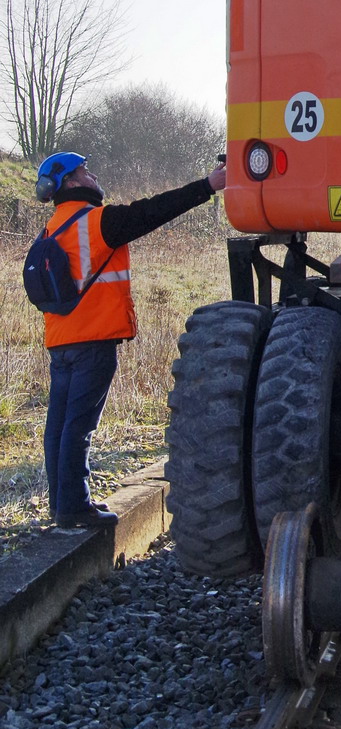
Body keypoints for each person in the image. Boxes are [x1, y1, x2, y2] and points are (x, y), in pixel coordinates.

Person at [32, 152, 226, 529]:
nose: (92, 175)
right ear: (71, 182)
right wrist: (208, 185)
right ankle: (75, 508)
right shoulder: (97, 221)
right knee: (79, 427)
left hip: (60, 341)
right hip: (93, 342)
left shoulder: (51, 227)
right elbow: (153, 211)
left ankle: (61, 504)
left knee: (59, 425)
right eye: (85, 171)